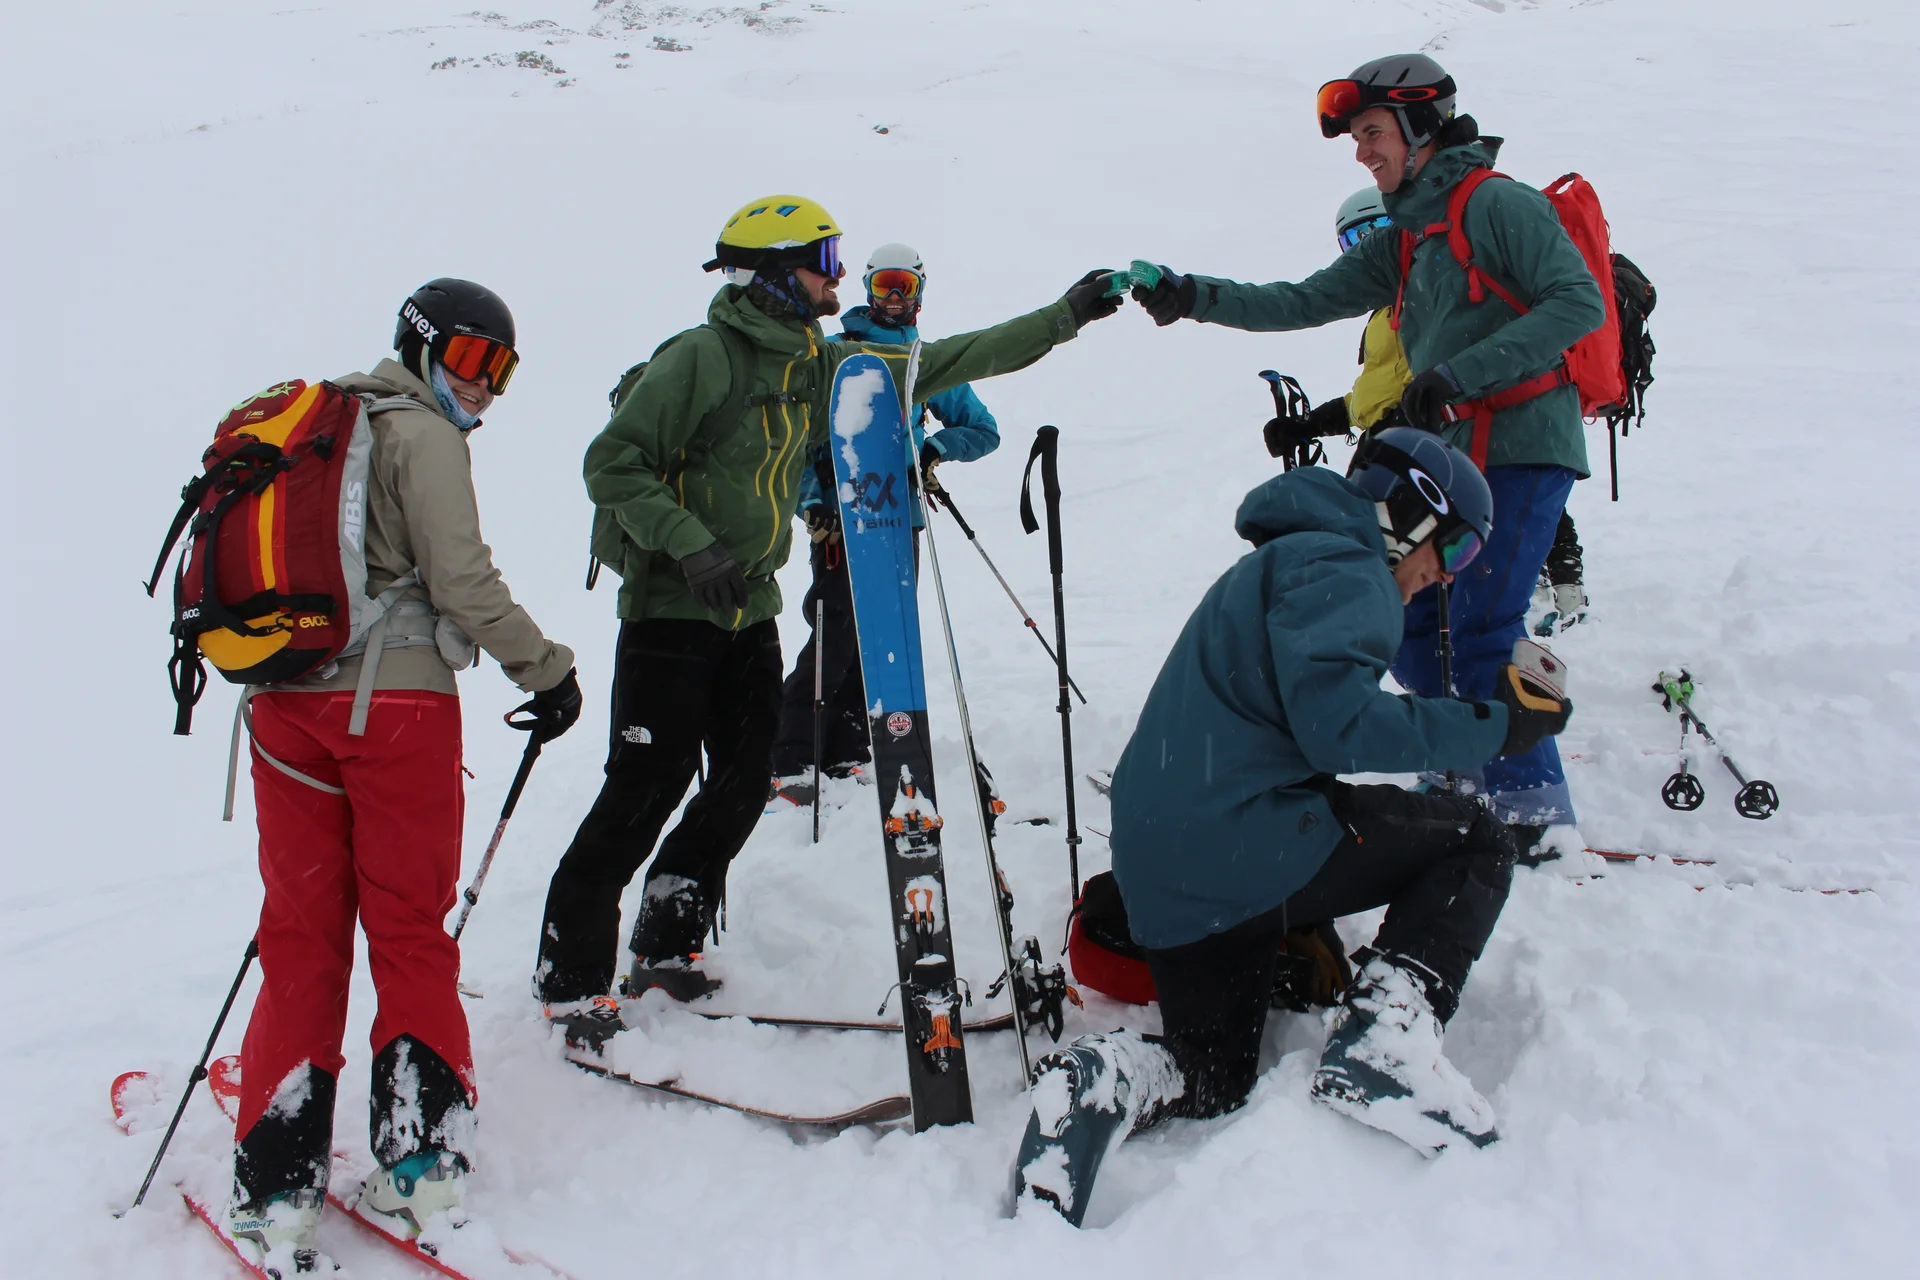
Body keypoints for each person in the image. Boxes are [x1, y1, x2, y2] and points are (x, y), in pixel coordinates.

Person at [535, 196, 1121, 1031]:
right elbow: (613, 462)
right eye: (825, 260)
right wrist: (690, 544)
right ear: (776, 272)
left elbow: (945, 360)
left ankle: (667, 940)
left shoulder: (818, 362)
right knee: (646, 787)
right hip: (671, 612)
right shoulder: (701, 358)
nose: (838, 277)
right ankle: (568, 978)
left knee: (741, 785)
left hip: (750, 610)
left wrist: (1063, 317)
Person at [1011, 429, 1572, 1225]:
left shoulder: (1288, 561)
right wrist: (1496, 727)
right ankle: (1386, 1043)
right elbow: (1339, 730)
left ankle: (1108, 1079)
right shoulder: (1349, 567)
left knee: (1212, 1073)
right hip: (1235, 848)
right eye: (1455, 547)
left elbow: (1294, 727)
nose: (1447, 573)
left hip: (1172, 875)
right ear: (1409, 511)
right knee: (1476, 840)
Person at [1130, 53, 1605, 851]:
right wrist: (1192, 297)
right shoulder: (1411, 237)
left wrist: (1458, 373)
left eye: (1373, 133)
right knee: (1411, 627)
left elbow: (1579, 302)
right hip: (1458, 456)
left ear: (1421, 129)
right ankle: (1460, 773)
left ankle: (1530, 816)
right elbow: (1305, 299)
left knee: (1480, 628)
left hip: (1524, 443)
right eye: (1357, 138)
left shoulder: (1497, 205)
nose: (1362, 152)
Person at [227, 280, 582, 1271]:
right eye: (471, 360)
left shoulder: (321, 422)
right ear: (423, 347)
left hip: (285, 706)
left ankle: (276, 1186)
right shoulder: (421, 434)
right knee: (408, 928)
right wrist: (546, 669)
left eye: (502, 370)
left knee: (300, 931)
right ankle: (421, 1164)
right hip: (398, 710)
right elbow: (462, 578)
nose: (484, 387)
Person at [768, 242, 1002, 799]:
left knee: (882, 633)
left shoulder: (925, 361)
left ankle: (847, 749)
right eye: (883, 285)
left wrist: (935, 448)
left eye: (904, 285)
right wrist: (811, 503)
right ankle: (790, 756)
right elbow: (795, 440)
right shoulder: (835, 354)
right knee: (835, 632)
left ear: (919, 291)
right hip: (841, 520)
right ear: (868, 289)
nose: (894, 297)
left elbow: (984, 430)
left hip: (901, 519)